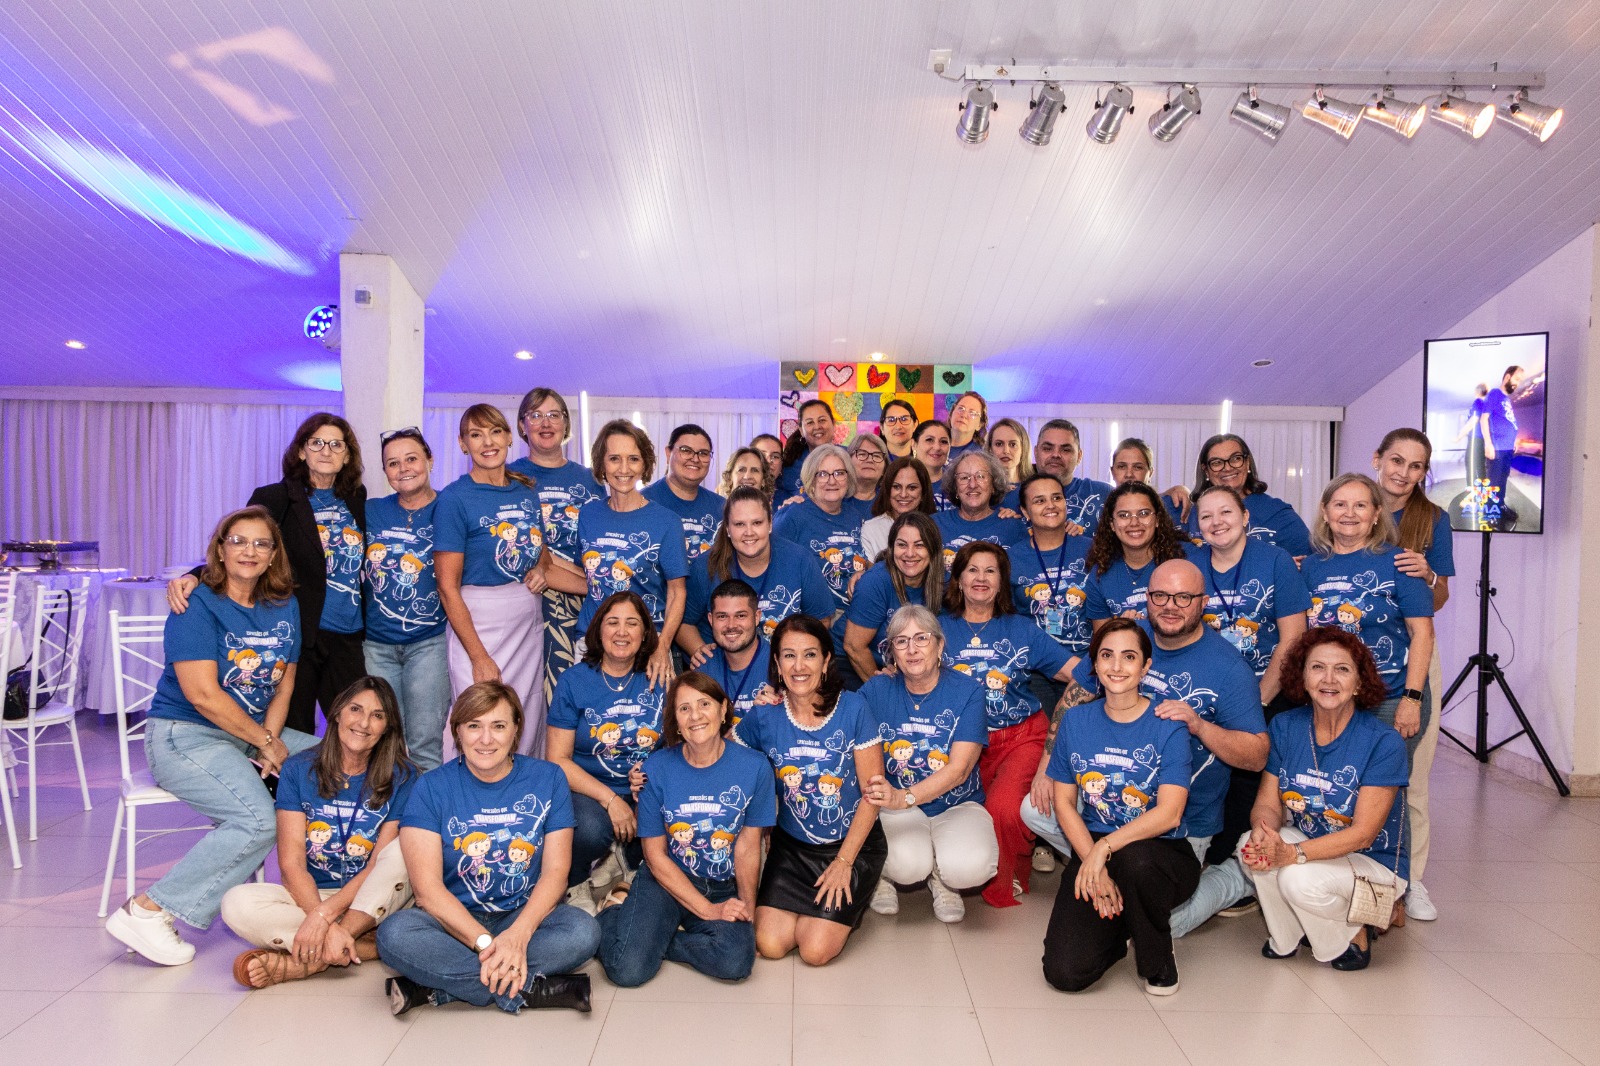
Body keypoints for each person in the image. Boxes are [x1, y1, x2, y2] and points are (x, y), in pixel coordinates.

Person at [108, 507, 317, 966]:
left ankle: (324, 894)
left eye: (261, 543)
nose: (249, 551)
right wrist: (266, 743)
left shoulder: (284, 605)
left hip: (251, 732)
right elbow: (202, 696)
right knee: (256, 820)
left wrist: (269, 740)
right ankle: (148, 910)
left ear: (274, 555)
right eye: (238, 541)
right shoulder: (196, 604)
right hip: (185, 735)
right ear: (220, 550)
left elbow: (284, 685)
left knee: (342, 760)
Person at [1025, 560, 1267, 940]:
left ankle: (1235, 878)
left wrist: (1200, 726)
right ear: (1147, 597)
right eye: (1160, 596)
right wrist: (1046, 765)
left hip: (1181, 819)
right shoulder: (1126, 638)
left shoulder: (1228, 668)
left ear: (1203, 603)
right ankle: (1104, 873)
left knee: (1161, 925)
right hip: (1107, 799)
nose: (1170, 606)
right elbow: (1075, 694)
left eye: (1183, 597)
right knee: (1034, 809)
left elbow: (1257, 756)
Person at [377, 681, 600, 1015]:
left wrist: (517, 936)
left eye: (498, 726)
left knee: (584, 932)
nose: (485, 739)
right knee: (393, 934)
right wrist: (486, 943)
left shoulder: (548, 778)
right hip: (454, 923)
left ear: (516, 730)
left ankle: (440, 989)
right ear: (457, 731)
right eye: (473, 726)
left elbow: (555, 873)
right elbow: (427, 891)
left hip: (525, 916)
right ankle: (535, 990)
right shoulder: (430, 787)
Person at [165, 413, 367, 735]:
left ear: (347, 456)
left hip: (348, 633)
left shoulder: (356, 499)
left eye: (335, 444)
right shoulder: (276, 497)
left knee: (355, 725)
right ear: (301, 451)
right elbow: (244, 546)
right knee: (295, 728)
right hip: (298, 631)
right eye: (316, 443)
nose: (326, 451)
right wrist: (196, 575)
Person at [221, 676, 416, 987]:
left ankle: (309, 960)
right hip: (313, 895)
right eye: (355, 709)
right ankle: (365, 945)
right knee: (236, 904)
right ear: (337, 713)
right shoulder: (298, 769)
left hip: (373, 895)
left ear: (387, 727)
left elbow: (379, 866)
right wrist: (319, 913)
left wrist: (324, 918)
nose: (364, 723)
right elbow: (291, 865)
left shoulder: (404, 777)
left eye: (378, 715)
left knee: (402, 852)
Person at [1039, 619, 1197, 995]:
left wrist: (1104, 850)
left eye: (1129, 657)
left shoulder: (1168, 725)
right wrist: (1093, 862)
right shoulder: (1075, 721)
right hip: (1094, 845)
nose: (1116, 666)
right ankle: (1121, 926)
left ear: (1145, 666)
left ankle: (1157, 957)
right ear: (1094, 664)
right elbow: (1064, 802)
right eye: (1107, 655)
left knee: (1136, 863)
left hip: (1159, 853)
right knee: (1065, 973)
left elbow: (1170, 813)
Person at [1242, 628, 1409, 972]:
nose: (1328, 679)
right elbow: (1268, 804)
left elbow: (1363, 835)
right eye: (1317, 667)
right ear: (1302, 678)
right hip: (1316, 845)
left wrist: (1292, 854)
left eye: (1342, 669)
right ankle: (1288, 937)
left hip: (1371, 861)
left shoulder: (1383, 742)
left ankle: (1352, 934)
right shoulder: (1286, 726)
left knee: (1296, 878)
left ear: (1359, 682)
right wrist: (1263, 831)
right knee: (1251, 847)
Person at [597, 672, 776, 986]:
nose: (695, 716)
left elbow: (748, 847)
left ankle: (657, 940)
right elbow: (654, 856)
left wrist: (747, 910)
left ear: (723, 710)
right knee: (628, 970)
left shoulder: (756, 767)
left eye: (704, 704)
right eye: (684, 709)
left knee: (736, 961)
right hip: (667, 880)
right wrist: (708, 911)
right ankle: (613, 911)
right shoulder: (655, 769)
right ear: (676, 722)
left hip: (722, 885)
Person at [733, 615, 887, 965]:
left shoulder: (854, 708)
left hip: (850, 846)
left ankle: (850, 901)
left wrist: (844, 862)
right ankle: (817, 913)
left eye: (810, 655)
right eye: (789, 655)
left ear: (826, 660)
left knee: (814, 951)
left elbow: (873, 795)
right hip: (792, 849)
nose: (799, 666)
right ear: (777, 663)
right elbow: (723, 755)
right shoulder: (765, 715)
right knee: (771, 945)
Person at [436, 405, 584, 757]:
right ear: (463, 444)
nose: (487, 442)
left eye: (495, 432)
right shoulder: (454, 499)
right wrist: (478, 657)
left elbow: (544, 559)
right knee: (479, 719)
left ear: (508, 437)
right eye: (476, 435)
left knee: (525, 720)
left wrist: (601, 587)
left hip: (526, 624)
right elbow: (446, 587)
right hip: (477, 625)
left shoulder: (525, 493)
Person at [938, 543, 1075, 909]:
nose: (981, 578)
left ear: (1001, 582)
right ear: (958, 579)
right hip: (962, 744)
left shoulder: (1021, 629)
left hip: (1021, 737)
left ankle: (1008, 875)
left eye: (991, 571)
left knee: (1003, 809)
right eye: (972, 570)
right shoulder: (938, 628)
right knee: (963, 811)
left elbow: (1080, 673)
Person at [860, 606, 995, 922]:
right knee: (907, 866)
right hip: (895, 808)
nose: (912, 649)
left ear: (939, 644)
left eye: (921, 638)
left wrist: (904, 797)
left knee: (970, 867)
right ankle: (882, 876)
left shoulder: (968, 691)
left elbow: (959, 770)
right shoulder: (876, 690)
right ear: (892, 652)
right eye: (901, 641)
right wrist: (782, 697)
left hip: (955, 803)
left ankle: (943, 879)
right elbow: (834, 717)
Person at [1370, 428, 1454, 921]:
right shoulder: (1354, 504)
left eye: (1415, 465)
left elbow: (1440, 598)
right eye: (1396, 460)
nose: (1403, 473)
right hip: (1353, 658)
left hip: (1414, 655)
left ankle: (1411, 879)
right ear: (1378, 459)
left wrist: (1428, 575)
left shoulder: (1432, 519)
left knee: (1411, 774)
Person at [1301, 473, 1436, 762]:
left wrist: (1412, 700)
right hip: (1329, 698)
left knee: (1382, 785)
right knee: (1336, 782)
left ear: (1376, 514)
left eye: (1360, 505)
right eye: (1340, 504)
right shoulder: (1309, 567)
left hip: (1390, 699)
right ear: (1325, 511)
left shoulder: (1401, 562)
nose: (1349, 513)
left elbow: (1423, 633)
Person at [547, 592, 664, 902]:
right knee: (589, 830)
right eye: (613, 622)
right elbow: (557, 759)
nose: (622, 632)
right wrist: (611, 800)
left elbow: (677, 748)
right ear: (598, 630)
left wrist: (649, 778)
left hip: (643, 787)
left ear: (645, 633)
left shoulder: (660, 678)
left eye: (632, 623)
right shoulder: (574, 681)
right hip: (587, 789)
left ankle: (624, 862)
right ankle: (575, 884)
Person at [508, 388, 606, 702]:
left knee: (578, 695)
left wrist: (591, 587)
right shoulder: (510, 478)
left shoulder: (592, 480)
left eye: (554, 415)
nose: (546, 423)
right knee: (526, 696)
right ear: (522, 425)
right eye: (536, 415)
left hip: (586, 605)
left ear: (566, 423)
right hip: (529, 598)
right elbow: (516, 546)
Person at [362, 428, 451, 770]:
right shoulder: (370, 511)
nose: (403, 469)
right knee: (380, 745)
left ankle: (425, 807)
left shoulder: (451, 508)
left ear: (430, 460)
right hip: (376, 647)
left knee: (424, 745)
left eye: (411, 459)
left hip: (429, 644)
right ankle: (386, 806)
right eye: (393, 463)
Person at [576, 419, 689, 687]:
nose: (624, 468)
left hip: (648, 647)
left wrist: (662, 646)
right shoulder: (588, 515)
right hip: (592, 642)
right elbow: (587, 577)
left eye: (633, 459)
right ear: (601, 464)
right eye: (614, 458)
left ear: (645, 464)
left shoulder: (667, 522)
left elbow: (677, 592)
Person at [1191, 485, 1311, 706]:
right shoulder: (1189, 565)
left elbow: (1293, 638)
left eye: (1226, 512)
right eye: (1206, 516)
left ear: (1245, 516)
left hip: (1271, 692)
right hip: (1207, 691)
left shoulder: (1277, 561)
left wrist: (1258, 702)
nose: (1216, 522)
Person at [680, 487, 833, 654]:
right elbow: (683, 622)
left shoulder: (800, 559)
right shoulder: (706, 566)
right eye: (739, 524)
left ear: (770, 524)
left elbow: (822, 619)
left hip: (782, 664)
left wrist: (793, 656)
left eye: (757, 523)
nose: (749, 532)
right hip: (723, 665)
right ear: (727, 529)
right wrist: (705, 659)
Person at [772, 443, 870, 656]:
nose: (832, 481)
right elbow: (772, 565)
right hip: (816, 621)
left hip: (856, 616)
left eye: (839, 473)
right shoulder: (792, 515)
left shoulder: (855, 516)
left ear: (849, 477)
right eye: (823, 474)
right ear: (811, 478)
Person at [844, 513, 943, 680]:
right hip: (854, 665)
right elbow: (854, 647)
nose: (910, 553)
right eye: (902, 545)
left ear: (933, 549)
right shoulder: (875, 581)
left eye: (919, 545)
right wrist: (883, 689)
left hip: (904, 667)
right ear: (891, 548)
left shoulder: (943, 583)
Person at [1180, 434, 1312, 557]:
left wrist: (1282, 566)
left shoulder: (1277, 513)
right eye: (1217, 463)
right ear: (1206, 470)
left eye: (1236, 459)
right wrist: (1174, 491)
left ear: (1247, 462)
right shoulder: (1189, 511)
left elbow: (1308, 562)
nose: (1227, 468)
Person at [1084, 482, 1190, 626]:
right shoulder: (1100, 574)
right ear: (1112, 524)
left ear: (1157, 520)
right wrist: (1121, 629)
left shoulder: (1185, 560)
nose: (1134, 522)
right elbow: (1101, 637)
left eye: (1143, 513)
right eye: (1124, 515)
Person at [1004, 419, 1113, 535]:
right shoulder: (1009, 497)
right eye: (1047, 448)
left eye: (1065, 450)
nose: (1056, 455)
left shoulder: (1104, 494)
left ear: (1079, 456)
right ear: (1036, 452)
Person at [694, 580, 777, 726]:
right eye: (722, 616)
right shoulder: (704, 666)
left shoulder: (779, 664)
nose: (731, 625)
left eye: (740, 616)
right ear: (711, 620)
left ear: (757, 617)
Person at [643, 423, 725, 561]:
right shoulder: (642, 502)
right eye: (686, 450)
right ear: (668, 453)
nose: (695, 459)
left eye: (703, 453)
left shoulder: (722, 507)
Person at [933, 449, 1027, 565]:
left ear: (993, 485)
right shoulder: (934, 524)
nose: (972, 484)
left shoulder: (1013, 527)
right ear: (955, 487)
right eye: (964, 478)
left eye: (981, 476)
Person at [860, 456, 936, 563]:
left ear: (923, 493)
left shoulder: (936, 528)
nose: (903, 494)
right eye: (896, 487)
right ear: (888, 490)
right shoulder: (871, 530)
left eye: (912, 488)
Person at [1478, 365, 1525, 522]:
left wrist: (1513, 440)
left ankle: (1500, 506)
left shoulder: (1506, 399)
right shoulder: (1494, 394)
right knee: (1494, 483)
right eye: (1517, 379)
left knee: (1502, 480)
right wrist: (1488, 444)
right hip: (1497, 448)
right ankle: (1490, 514)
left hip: (1507, 448)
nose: (1518, 383)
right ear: (1507, 377)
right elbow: (1483, 419)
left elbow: (1507, 421)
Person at [1110, 437, 1186, 524]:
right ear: (1112, 472)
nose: (1129, 474)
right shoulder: (1102, 504)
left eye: (1138, 467)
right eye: (1122, 467)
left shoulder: (1171, 508)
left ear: (1150, 473)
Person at [776, 399, 837, 505]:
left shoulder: (850, 457)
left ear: (833, 423)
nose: (817, 427)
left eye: (822, 420)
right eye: (810, 422)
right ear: (801, 430)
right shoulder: (789, 466)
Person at [912, 420, 954, 510]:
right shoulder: (900, 480)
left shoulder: (957, 482)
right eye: (929, 440)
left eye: (943, 442)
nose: (937, 447)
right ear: (914, 444)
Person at [987, 417, 1033, 493]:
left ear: (1023, 448)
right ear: (990, 449)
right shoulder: (984, 489)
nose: (1006, 451)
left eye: (1013, 444)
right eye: (999, 444)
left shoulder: (1034, 487)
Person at [849, 433, 890, 504]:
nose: (870, 460)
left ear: (884, 469)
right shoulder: (835, 498)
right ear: (848, 461)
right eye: (862, 454)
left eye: (877, 456)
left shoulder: (891, 503)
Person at [947, 390, 989, 459]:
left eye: (972, 413)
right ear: (951, 413)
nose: (964, 415)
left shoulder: (980, 457)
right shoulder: (934, 443)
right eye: (961, 408)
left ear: (979, 425)